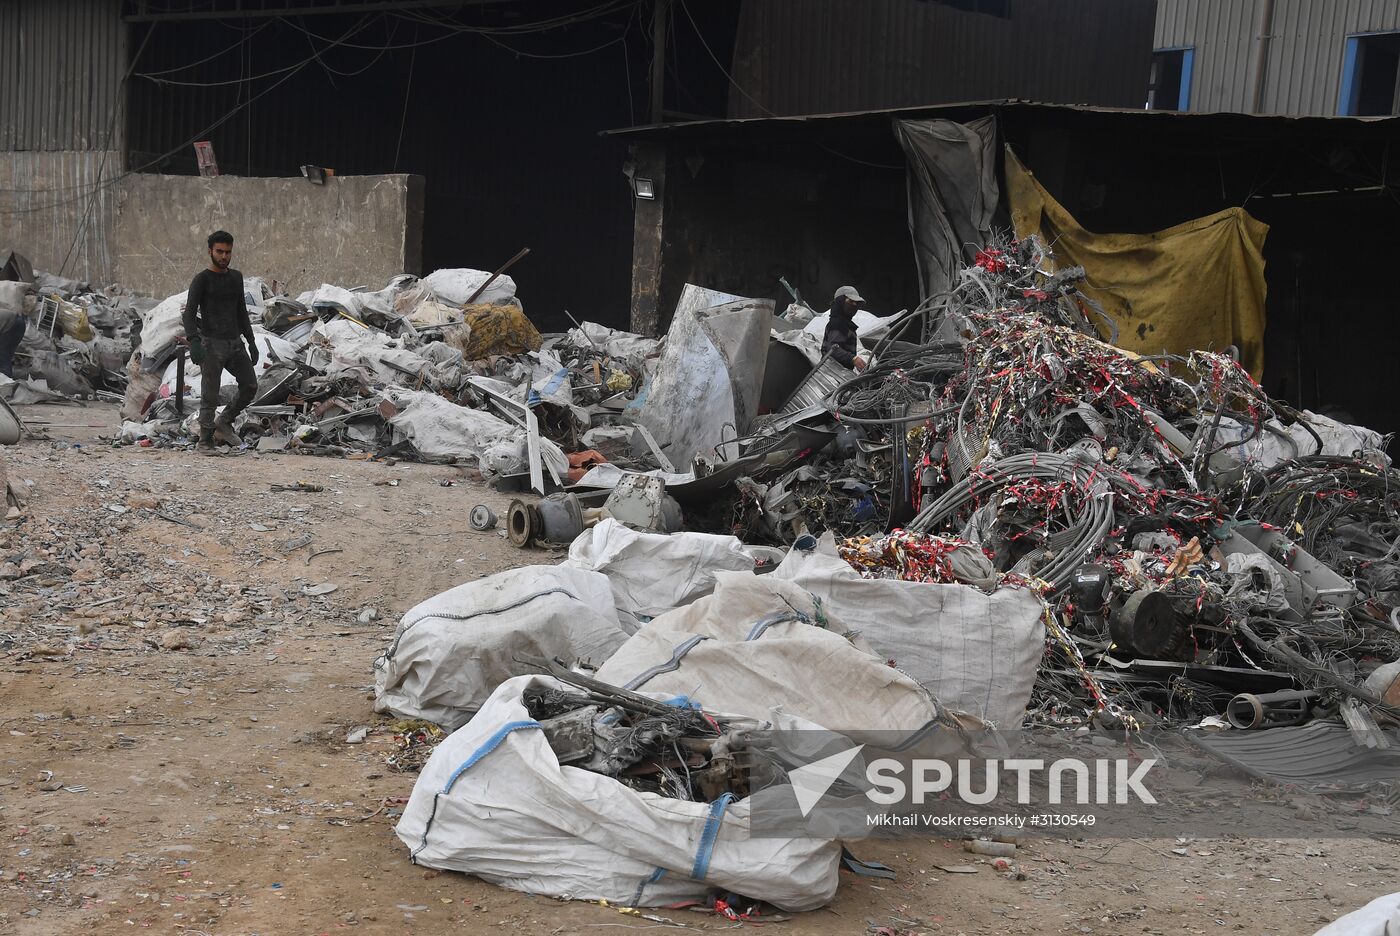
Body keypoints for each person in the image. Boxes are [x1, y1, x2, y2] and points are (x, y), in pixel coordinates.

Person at [181, 230, 258, 453]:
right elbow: (189, 314)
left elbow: (241, 311)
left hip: (234, 343)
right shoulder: (202, 279)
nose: (224, 256)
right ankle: (205, 441)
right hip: (211, 344)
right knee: (209, 395)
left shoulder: (236, 277)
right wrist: (194, 341)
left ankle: (224, 421)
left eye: (228, 252)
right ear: (210, 252)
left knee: (250, 385)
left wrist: (251, 340)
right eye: (220, 252)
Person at [823, 285, 866, 370]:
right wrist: (853, 359)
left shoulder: (846, 324)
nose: (854, 305)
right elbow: (832, 349)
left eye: (856, 303)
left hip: (840, 373)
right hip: (831, 374)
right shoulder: (837, 323)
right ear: (840, 302)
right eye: (850, 301)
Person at [0, 303, 24, 378]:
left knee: (3, 354)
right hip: (17, 323)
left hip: (13, 325)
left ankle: (5, 382)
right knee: (6, 354)